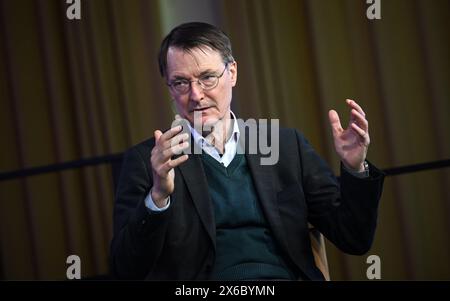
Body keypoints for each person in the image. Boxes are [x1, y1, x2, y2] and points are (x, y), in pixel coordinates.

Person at [110, 22, 385, 280]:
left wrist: (354, 169)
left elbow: (353, 238)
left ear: (232, 73)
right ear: (169, 88)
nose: (195, 95)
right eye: (181, 82)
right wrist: (157, 196)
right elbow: (126, 270)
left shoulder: (285, 147)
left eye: (207, 78)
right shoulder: (149, 161)